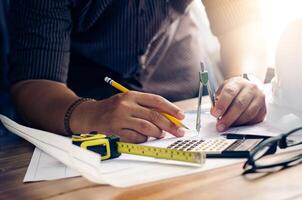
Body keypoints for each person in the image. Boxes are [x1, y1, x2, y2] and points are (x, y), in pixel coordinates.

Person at [9, 0, 267, 143]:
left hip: (191, 100)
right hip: (87, 119)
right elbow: (33, 81)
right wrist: (90, 113)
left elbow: (242, 23)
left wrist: (246, 78)